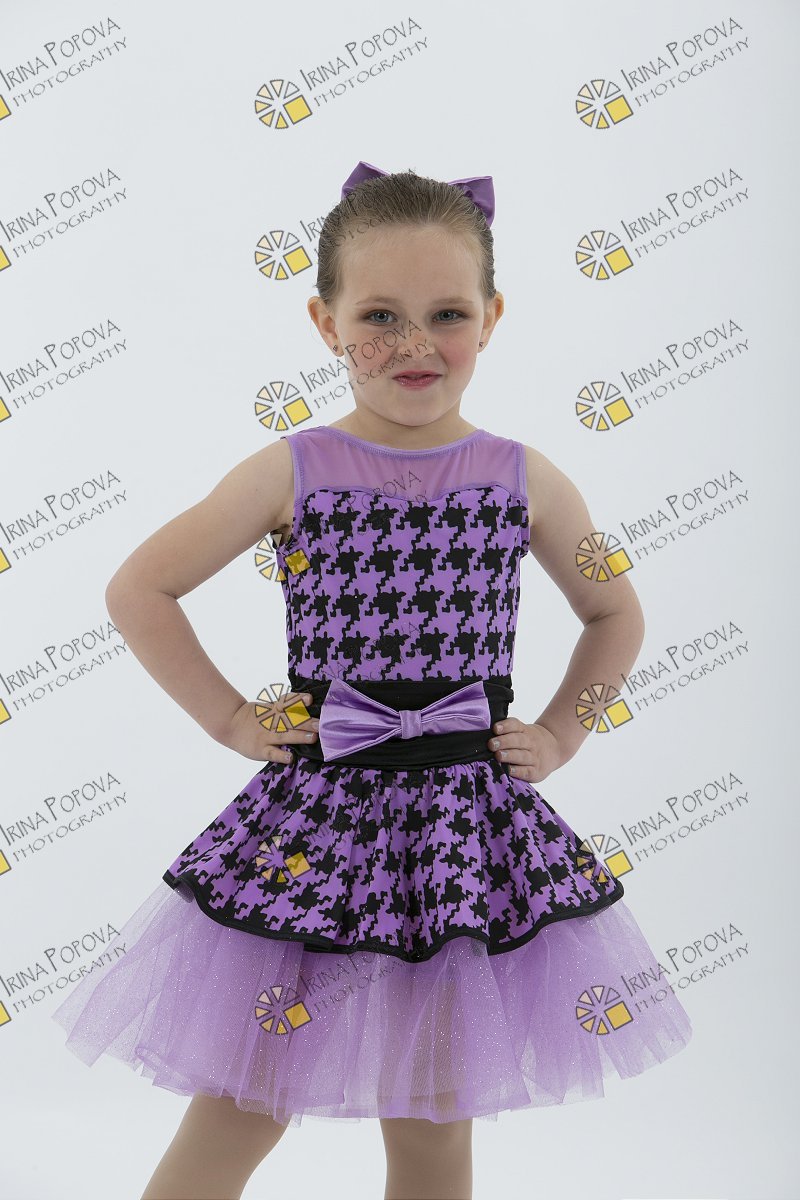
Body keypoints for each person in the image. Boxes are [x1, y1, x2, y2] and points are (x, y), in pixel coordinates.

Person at [51, 160, 693, 1200]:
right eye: (378, 316)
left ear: (491, 318)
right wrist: (230, 718)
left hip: (462, 833)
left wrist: (561, 732)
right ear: (325, 322)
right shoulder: (292, 469)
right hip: (321, 822)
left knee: (435, 1114)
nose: (412, 343)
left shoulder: (524, 478)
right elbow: (140, 588)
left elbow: (614, 610)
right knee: (246, 1094)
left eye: (446, 314)